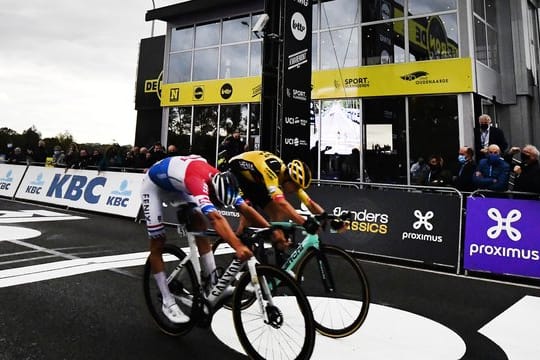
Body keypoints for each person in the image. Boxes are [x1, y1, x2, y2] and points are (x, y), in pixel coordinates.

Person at [141, 154, 277, 324]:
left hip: (179, 185)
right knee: (158, 240)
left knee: (200, 224)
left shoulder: (223, 182)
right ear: (211, 191)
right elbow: (216, 218)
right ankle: (168, 302)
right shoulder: (197, 182)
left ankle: (212, 283)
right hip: (154, 185)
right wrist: (238, 247)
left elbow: (245, 209)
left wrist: (272, 231)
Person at [228, 151, 329, 235]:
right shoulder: (272, 171)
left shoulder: (287, 177)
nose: (296, 190)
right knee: (248, 214)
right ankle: (239, 247)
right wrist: (305, 223)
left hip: (254, 179)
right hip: (236, 174)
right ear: (289, 179)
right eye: (296, 186)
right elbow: (281, 203)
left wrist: (324, 215)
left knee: (277, 213)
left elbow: (309, 202)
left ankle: (277, 246)